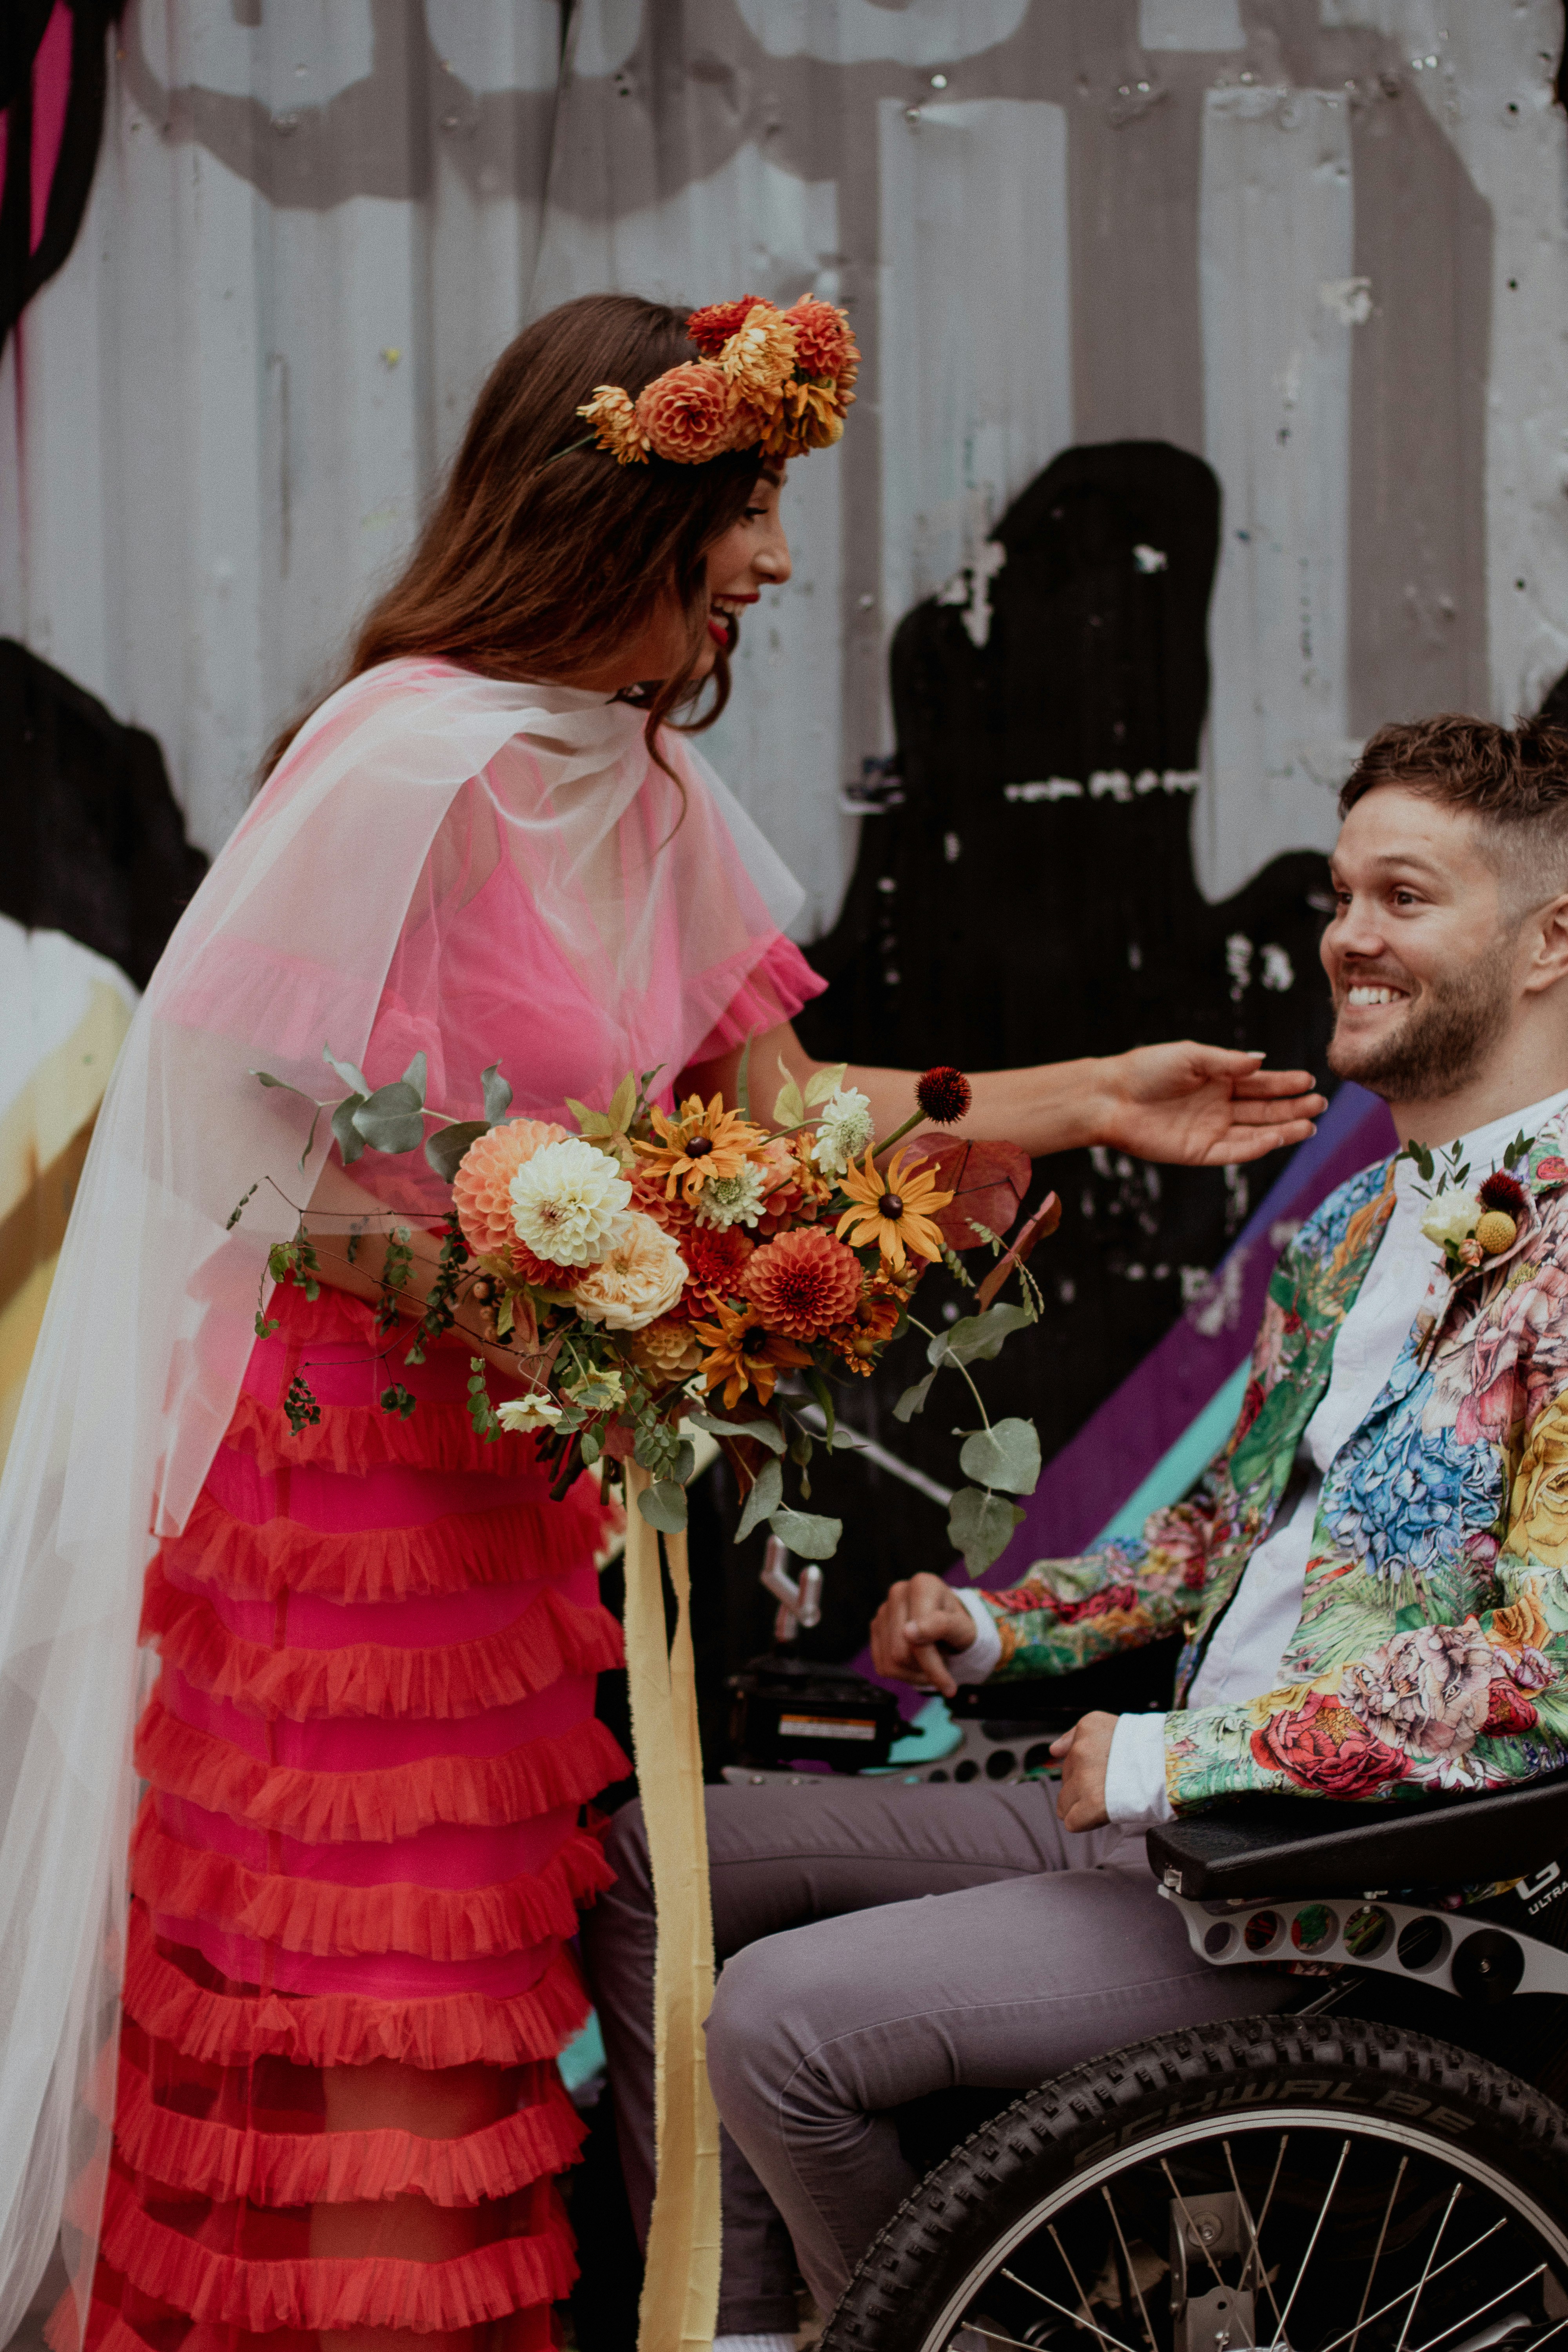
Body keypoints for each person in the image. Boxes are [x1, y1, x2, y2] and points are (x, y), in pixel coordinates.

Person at [0, 289, 1323, 2352]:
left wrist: (1078, 1097)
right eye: (754, 512)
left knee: (478, 2020)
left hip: (513, 1496)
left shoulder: (643, 791)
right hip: (346, 1510)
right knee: (373, 2009)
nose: (778, 567)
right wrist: (462, 1261)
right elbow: (218, 1141)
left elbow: (769, 1124)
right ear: (625, 514)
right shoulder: (404, 763)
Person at [583, 712, 1568, 2350]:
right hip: (1175, 1813)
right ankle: (736, 2329)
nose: (1347, 935)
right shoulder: (1347, 1230)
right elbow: (1208, 1544)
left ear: (1550, 942)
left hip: (1348, 1885)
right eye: (1340, 894)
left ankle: (943, 2329)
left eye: (1404, 897)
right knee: (657, 1865)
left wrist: (1174, 1764)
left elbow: (1544, 1676)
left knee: (775, 2023)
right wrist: (999, 1629)